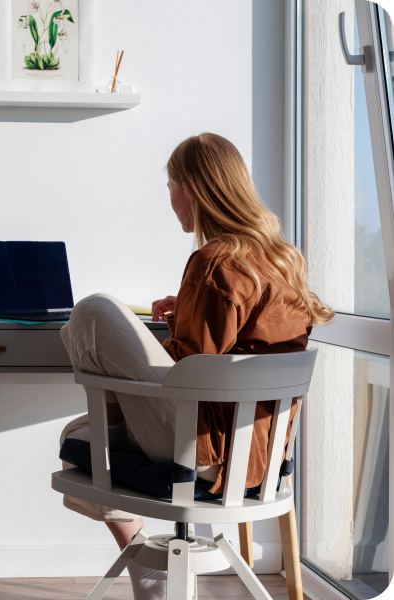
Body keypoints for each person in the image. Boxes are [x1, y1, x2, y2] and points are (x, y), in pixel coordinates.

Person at [59, 133, 334, 600]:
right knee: (79, 436)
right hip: (257, 462)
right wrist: (185, 308)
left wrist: (160, 332)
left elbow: (187, 372)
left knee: (92, 313)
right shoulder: (279, 260)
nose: (170, 199)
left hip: (204, 454)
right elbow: (227, 354)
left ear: (191, 188)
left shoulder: (213, 262)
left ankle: (150, 574)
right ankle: (152, 576)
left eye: (170, 186)